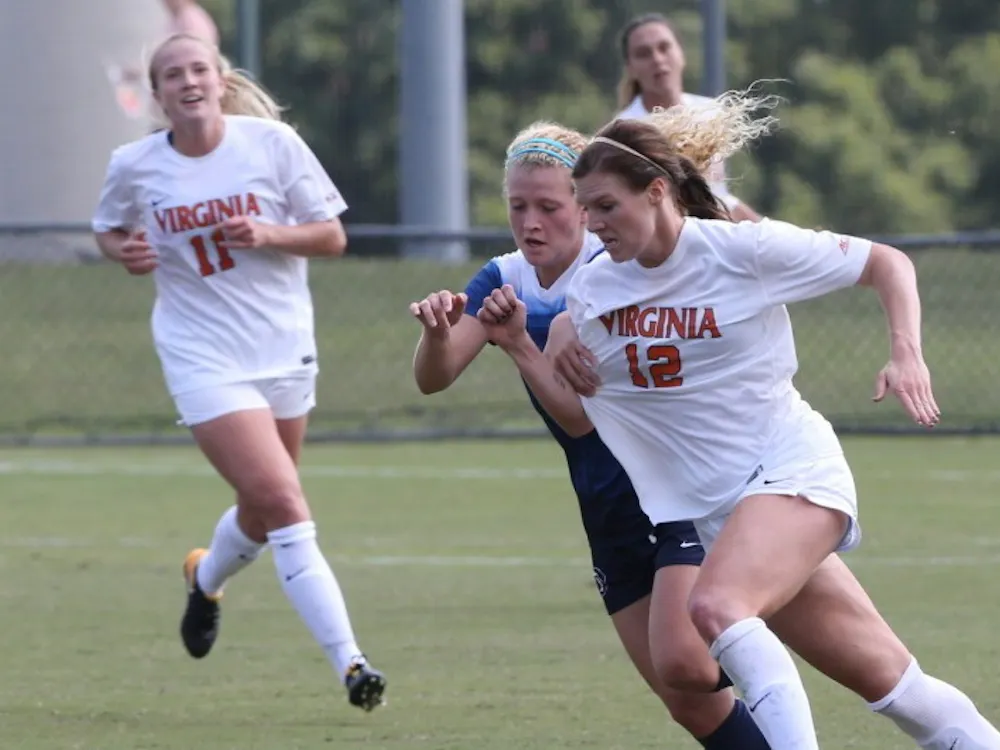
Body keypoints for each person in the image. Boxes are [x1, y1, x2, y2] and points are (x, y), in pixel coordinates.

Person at [476, 94, 1000, 749]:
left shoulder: (740, 251)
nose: (593, 223)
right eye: (584, 208)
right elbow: (579, 418)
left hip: (790, 472)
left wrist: (906, 352)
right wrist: (534, 346)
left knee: (716, 608)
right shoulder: (595, 290)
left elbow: (887, 264)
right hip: (718, 514)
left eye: (605, 206)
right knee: (898, 688)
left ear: (658, 191)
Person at [410, 123, 769, 748]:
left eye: (549, 206)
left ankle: (769, 641)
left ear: (583, 203)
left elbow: (580, 416)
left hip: (670, 493)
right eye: (518, 206)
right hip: (604, 507)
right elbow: (433, 380)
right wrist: (439, 333)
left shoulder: (613, 273)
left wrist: (518, 343)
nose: (531, 222)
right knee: (687, 703)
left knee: (693, 662)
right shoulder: (504, 275)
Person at [90, 33, 386, 712]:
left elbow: (333, 236)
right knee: (285, 505)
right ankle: (353, 665)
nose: (188, 81)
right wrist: (123, 251)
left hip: (282, 349)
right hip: (202, 356)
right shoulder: (134, 164)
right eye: (172, 74)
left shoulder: (270, 145)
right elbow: (109, 230)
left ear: (219, 80)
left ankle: (206, 577)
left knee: (262, 506)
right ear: (158, 95)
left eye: (198, 69)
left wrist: (271, 234)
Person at [615, 12, 762, 222]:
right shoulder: (624, 132)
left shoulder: (710, 112)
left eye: (664, 48)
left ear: (681, 53)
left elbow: (719, 195)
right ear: (630, 68)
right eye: (643, 53)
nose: (657, 59)